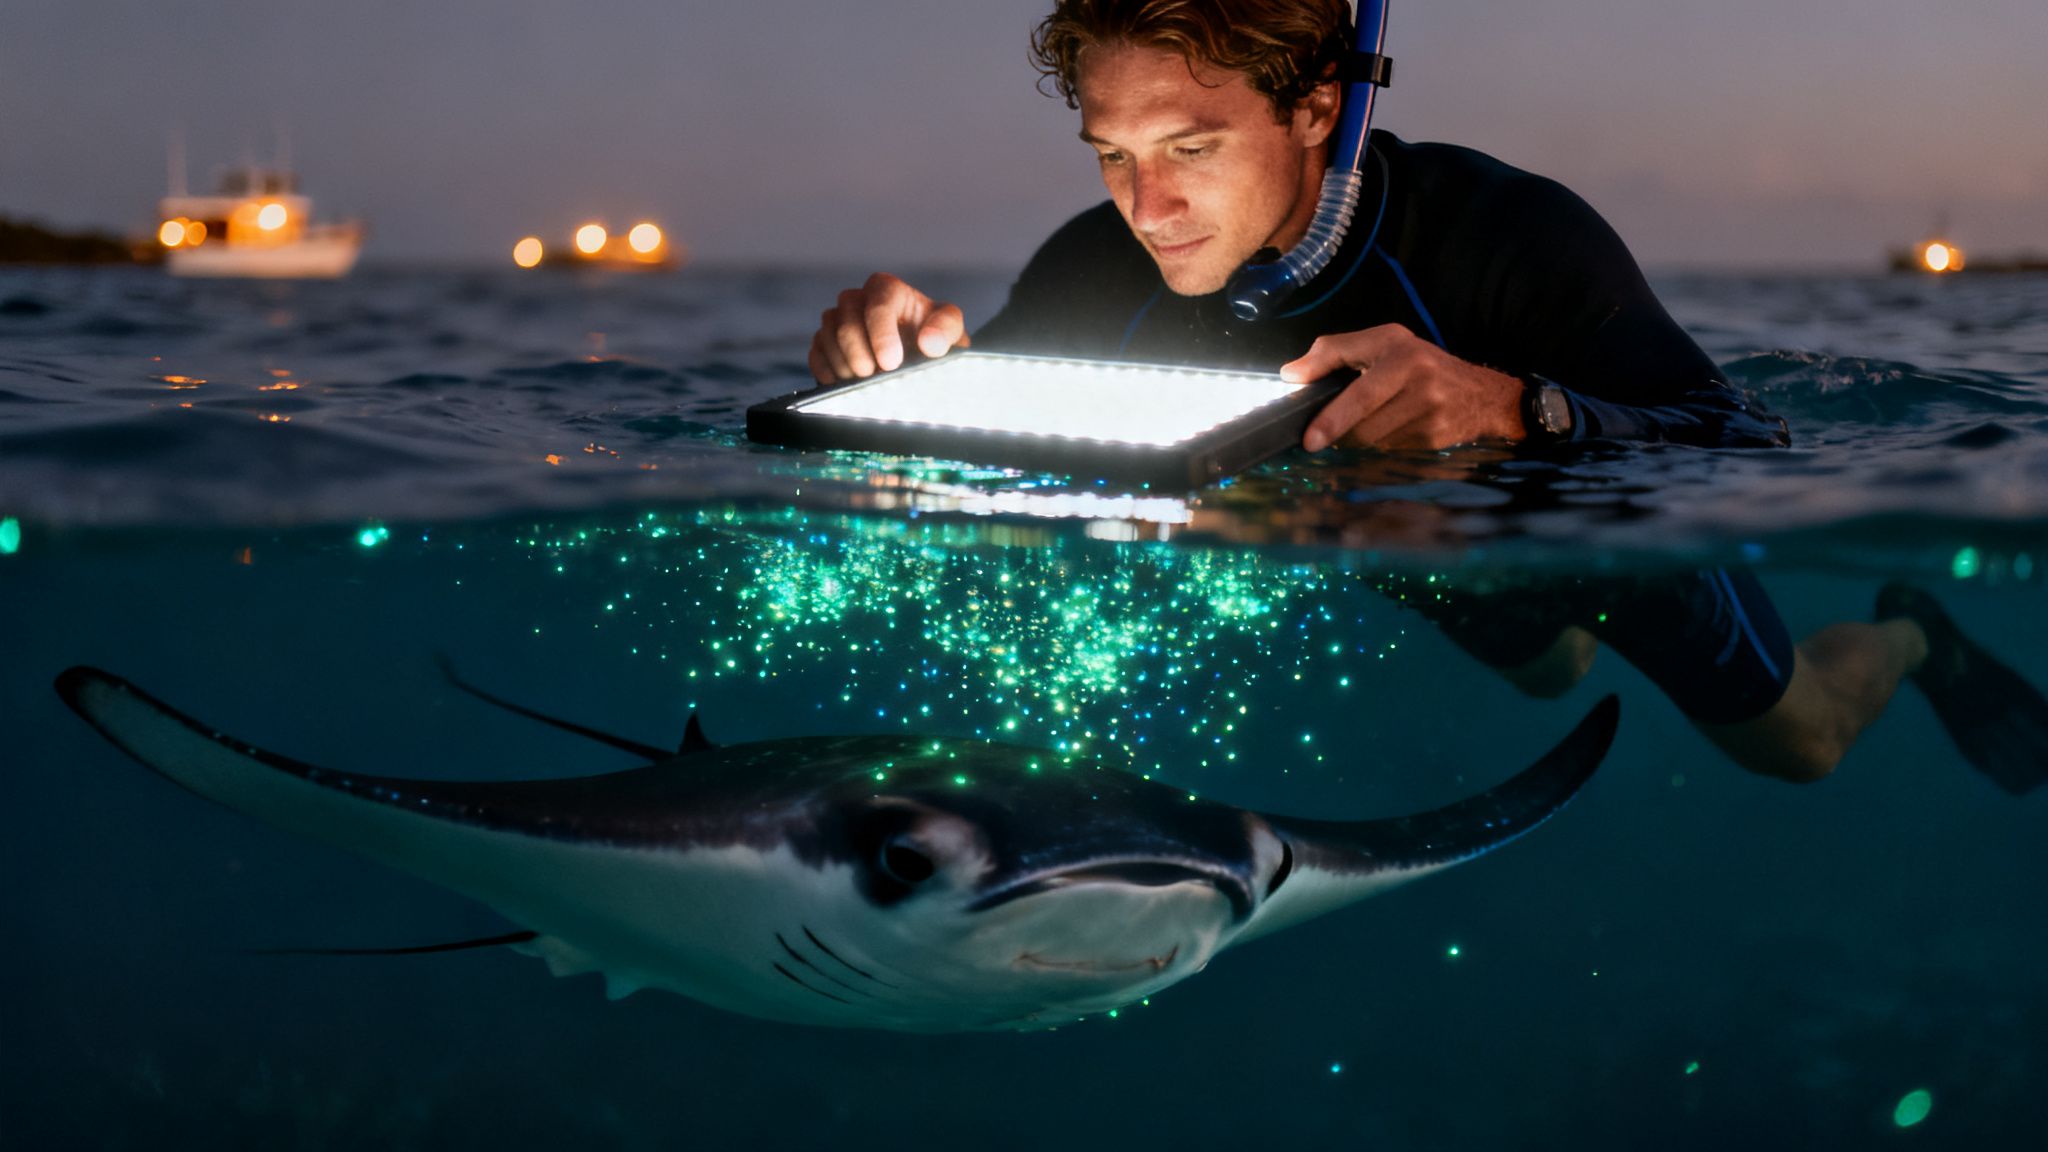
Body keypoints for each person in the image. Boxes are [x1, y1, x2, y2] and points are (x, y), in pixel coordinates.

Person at [807, 0, 2045, 793]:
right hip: (1422, 550)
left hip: (1607, 535)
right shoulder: (1096, 261)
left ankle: (1910, 632)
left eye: (1190, 149)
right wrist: (911, 365)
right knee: (1547, 675)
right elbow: (995, 424)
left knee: (1799, 747)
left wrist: (1519, 411)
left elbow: (1742, 440)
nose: (1147, 211)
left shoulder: (1508, 234)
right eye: (1113, 157)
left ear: (1313, 108)